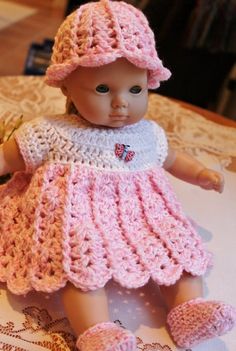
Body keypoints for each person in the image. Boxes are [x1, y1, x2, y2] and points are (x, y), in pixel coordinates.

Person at [0, 1, 235, 350]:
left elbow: (171, 158)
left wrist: (200, 174)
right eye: (103, 89)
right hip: (78, 217)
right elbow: (9, 157)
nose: (121, 102)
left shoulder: (147, 134)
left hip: (142, 216)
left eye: (135, 90)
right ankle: (96, 331)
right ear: (67, 87)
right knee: (80, 260)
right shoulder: (50, 132)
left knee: (177, 242)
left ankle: (189, 308)